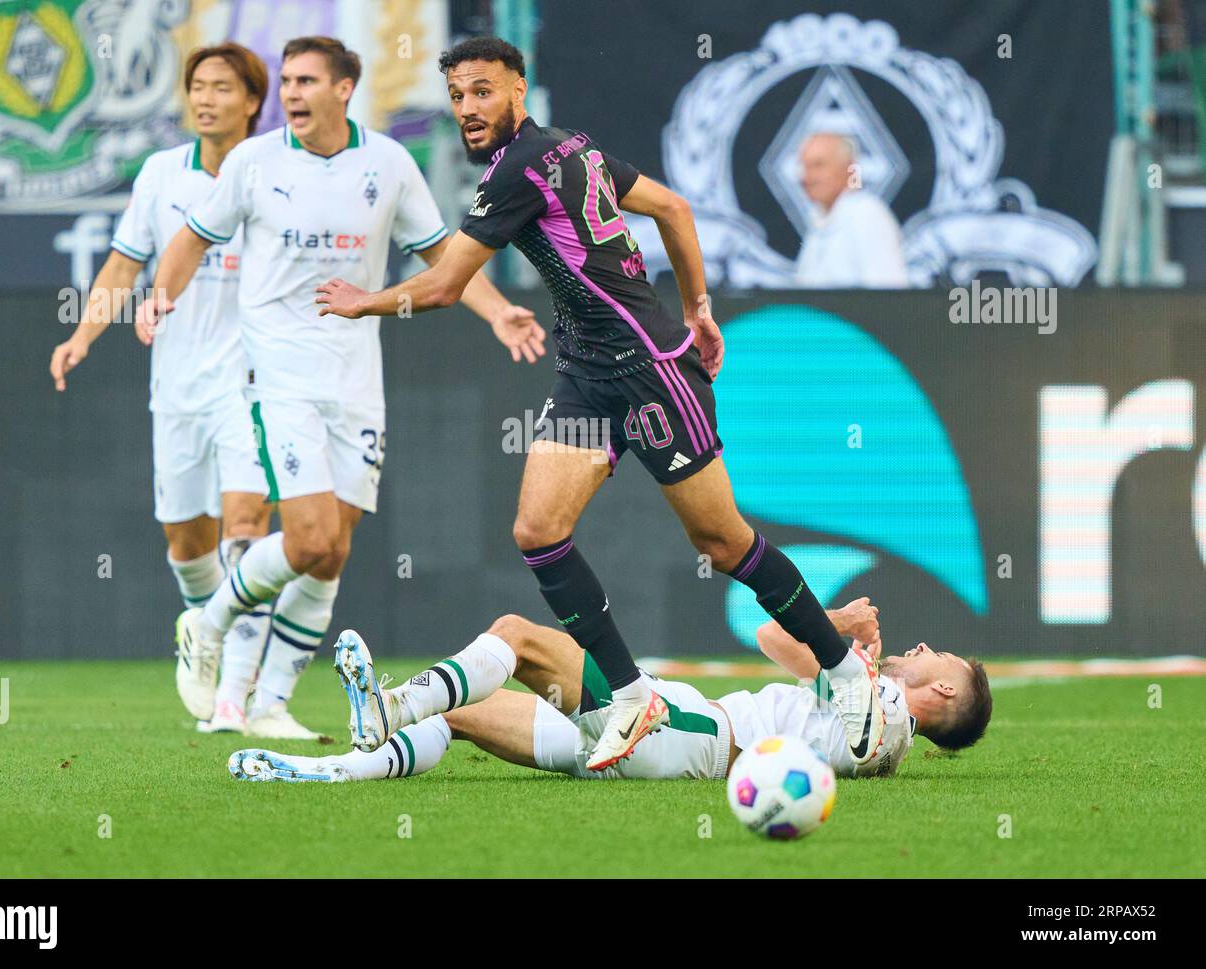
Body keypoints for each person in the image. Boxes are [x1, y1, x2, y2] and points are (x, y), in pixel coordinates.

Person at [313, 37, 887, 772]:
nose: (468, 108)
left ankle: (842, 672)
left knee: (722, 542)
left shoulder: (518, 169)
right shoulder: (568, 150)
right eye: (457, 95)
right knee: (538, 530)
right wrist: (701, 308)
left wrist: (365, 303)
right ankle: (629, 690)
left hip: (648, 367)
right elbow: (673, 207)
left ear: (518, 89)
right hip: (588, 368)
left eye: (483, 91)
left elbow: (443, 284)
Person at [139, 37, 546, 741]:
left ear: (344, 87)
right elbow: (191, 238)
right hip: (279, 379)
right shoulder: (254, 161)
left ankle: (269, 701)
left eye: (307, 81)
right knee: (308, 537)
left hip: (357, 381)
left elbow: (442, 255)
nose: (291, 94)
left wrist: (498, 310)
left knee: (333, 550)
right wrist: (157, 297)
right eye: (287, 81)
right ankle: (206, 626)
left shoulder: (386, 163)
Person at [48, 44, 300, 736]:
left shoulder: (281, 171)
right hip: (179, 385)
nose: (205, 98)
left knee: (246, 526)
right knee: (188, 540)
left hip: (256, 382)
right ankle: (203, 626)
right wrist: (82, 336)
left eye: (221, 87)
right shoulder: (162, 174)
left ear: (254, 101)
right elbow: (122, 267)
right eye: (196, 86)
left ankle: (239, 702)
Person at [229, 600, 992, 784]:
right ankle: (334, 767)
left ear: (946, 689)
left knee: (519, 636)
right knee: (459, 712)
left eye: (937, 655)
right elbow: (780, 650)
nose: (922, 649)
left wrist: (841, 629)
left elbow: (773, 634)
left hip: (686, 730)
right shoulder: (876, 720)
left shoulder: (885, 712)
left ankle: (387, 709)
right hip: (677, 744)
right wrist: (844, 650)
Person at [793, 132, 910, 288]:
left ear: (848, 169)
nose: (807, 177)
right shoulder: (819, 220)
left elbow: (889, 297)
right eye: (804, 166)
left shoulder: (866, 214)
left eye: (818, 165)